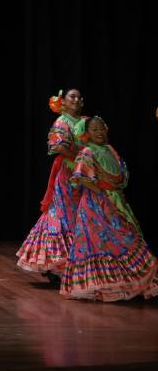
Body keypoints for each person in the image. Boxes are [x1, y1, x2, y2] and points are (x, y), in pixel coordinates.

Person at [61, 116, 158, 301]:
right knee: (104, 242)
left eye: (101, 128)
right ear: (86, 133)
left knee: (125, 238)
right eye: (94, 129)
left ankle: (127, 281)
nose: (99, 132)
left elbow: (121, 176)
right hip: (96, 205)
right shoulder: (87, 151)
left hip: (115, 201)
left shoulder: (109, 149)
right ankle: (103, 285)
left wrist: (114, 194)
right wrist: (102, 193)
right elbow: (80, 177)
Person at [17, 88, 87, 282]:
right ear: (62, 102)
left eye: (79, 97)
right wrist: (83, 158)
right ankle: (55, 263)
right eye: (72, 96)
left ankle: (76, 262)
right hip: (69, 172)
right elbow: (59, 147)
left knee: (83, 213)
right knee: (63, 213)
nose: (77, 99)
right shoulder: (62, 122)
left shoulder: (87, 122)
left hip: (87, 173)